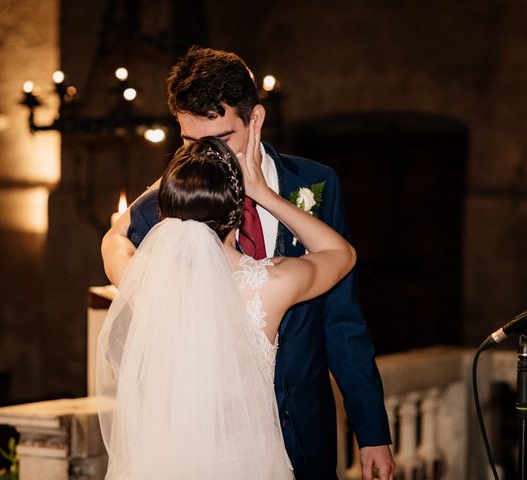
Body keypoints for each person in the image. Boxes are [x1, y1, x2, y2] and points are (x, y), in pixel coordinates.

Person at [102, 46, 395, 480]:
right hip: (200, 441)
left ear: (254, 119)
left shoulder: (316, 184)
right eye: (189, 143)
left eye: (219, 141)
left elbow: (342, 321)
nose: (205, 158)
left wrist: (371, 431)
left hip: (305, 433)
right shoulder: (159, 208)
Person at [98, 133, 356, 479]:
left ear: (167, 213)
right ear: (236, 213)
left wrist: (169, 180)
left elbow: (114, 237)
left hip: (168, 463)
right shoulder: (269, 285)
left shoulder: (145, 282)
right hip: (247, 464)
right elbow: (342, 254)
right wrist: (264, 193)